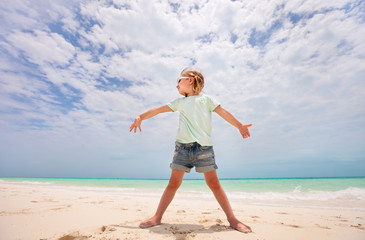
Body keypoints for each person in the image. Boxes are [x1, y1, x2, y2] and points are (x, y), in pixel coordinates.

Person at [129, 68, 252, 233]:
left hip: (204, 149)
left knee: (214, 183)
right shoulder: (180, 102)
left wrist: (239, 125)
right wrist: (141, 117)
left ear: (191, 80)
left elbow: (223, 112)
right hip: (182, 148)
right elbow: (159, 109)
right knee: (173, 183)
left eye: (179, 81)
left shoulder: (206, 100)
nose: (177, 85)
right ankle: (157, 217)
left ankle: (232, 219)